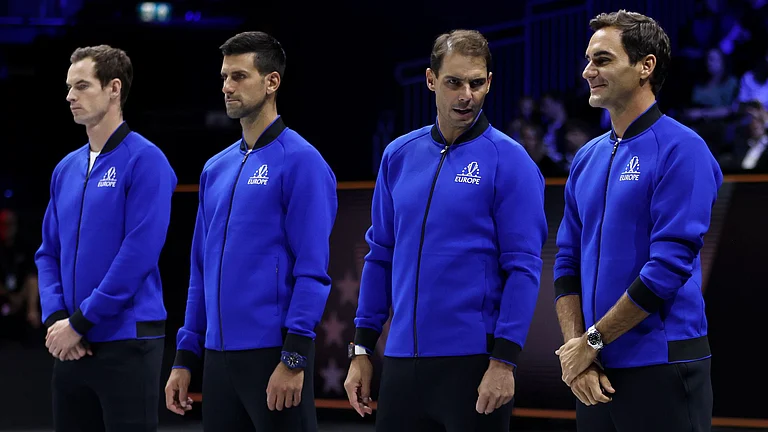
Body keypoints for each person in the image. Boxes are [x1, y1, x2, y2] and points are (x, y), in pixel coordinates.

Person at [344, 29, 548, 432]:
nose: (465, 95)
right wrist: (362, 348)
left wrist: (504, 361)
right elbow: (380, 255)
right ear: (431, 79)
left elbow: (524, 269)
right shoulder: (399, 155)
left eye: (476, 83)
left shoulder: (511, 161)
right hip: (401, 364)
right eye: (454, 82)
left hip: (472, 366)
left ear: (489, 82)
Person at [553, 10, 721, 432]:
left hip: (662, 366)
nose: (588, 71)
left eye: (604, 59)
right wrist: (578, 352)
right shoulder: (587, 157)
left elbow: (668, 268)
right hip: (593, 371)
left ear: (646, 66)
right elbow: (565, 263)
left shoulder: (684, 149)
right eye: (589, 59)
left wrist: (591, 342)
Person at [164, 31, 337, 432]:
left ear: (271, 82)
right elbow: (199, 272)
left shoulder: (302, 163)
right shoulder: (214, 169)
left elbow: (313, 270)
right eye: (225, 77)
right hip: (218, 359)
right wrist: (185, 356)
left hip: (273, 356)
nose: (227, 86)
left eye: (239, 76)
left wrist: (294, 358)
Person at [36, 45, 177, 432]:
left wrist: (82, 321)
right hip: (69, 343)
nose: (69, 96)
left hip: (126, 342)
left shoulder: (146, 161)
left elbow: (138, 254)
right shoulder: (66, 168)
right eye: (68, 87)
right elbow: (48, 252)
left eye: (82, 86)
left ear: (114, 88)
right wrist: (57, 319)